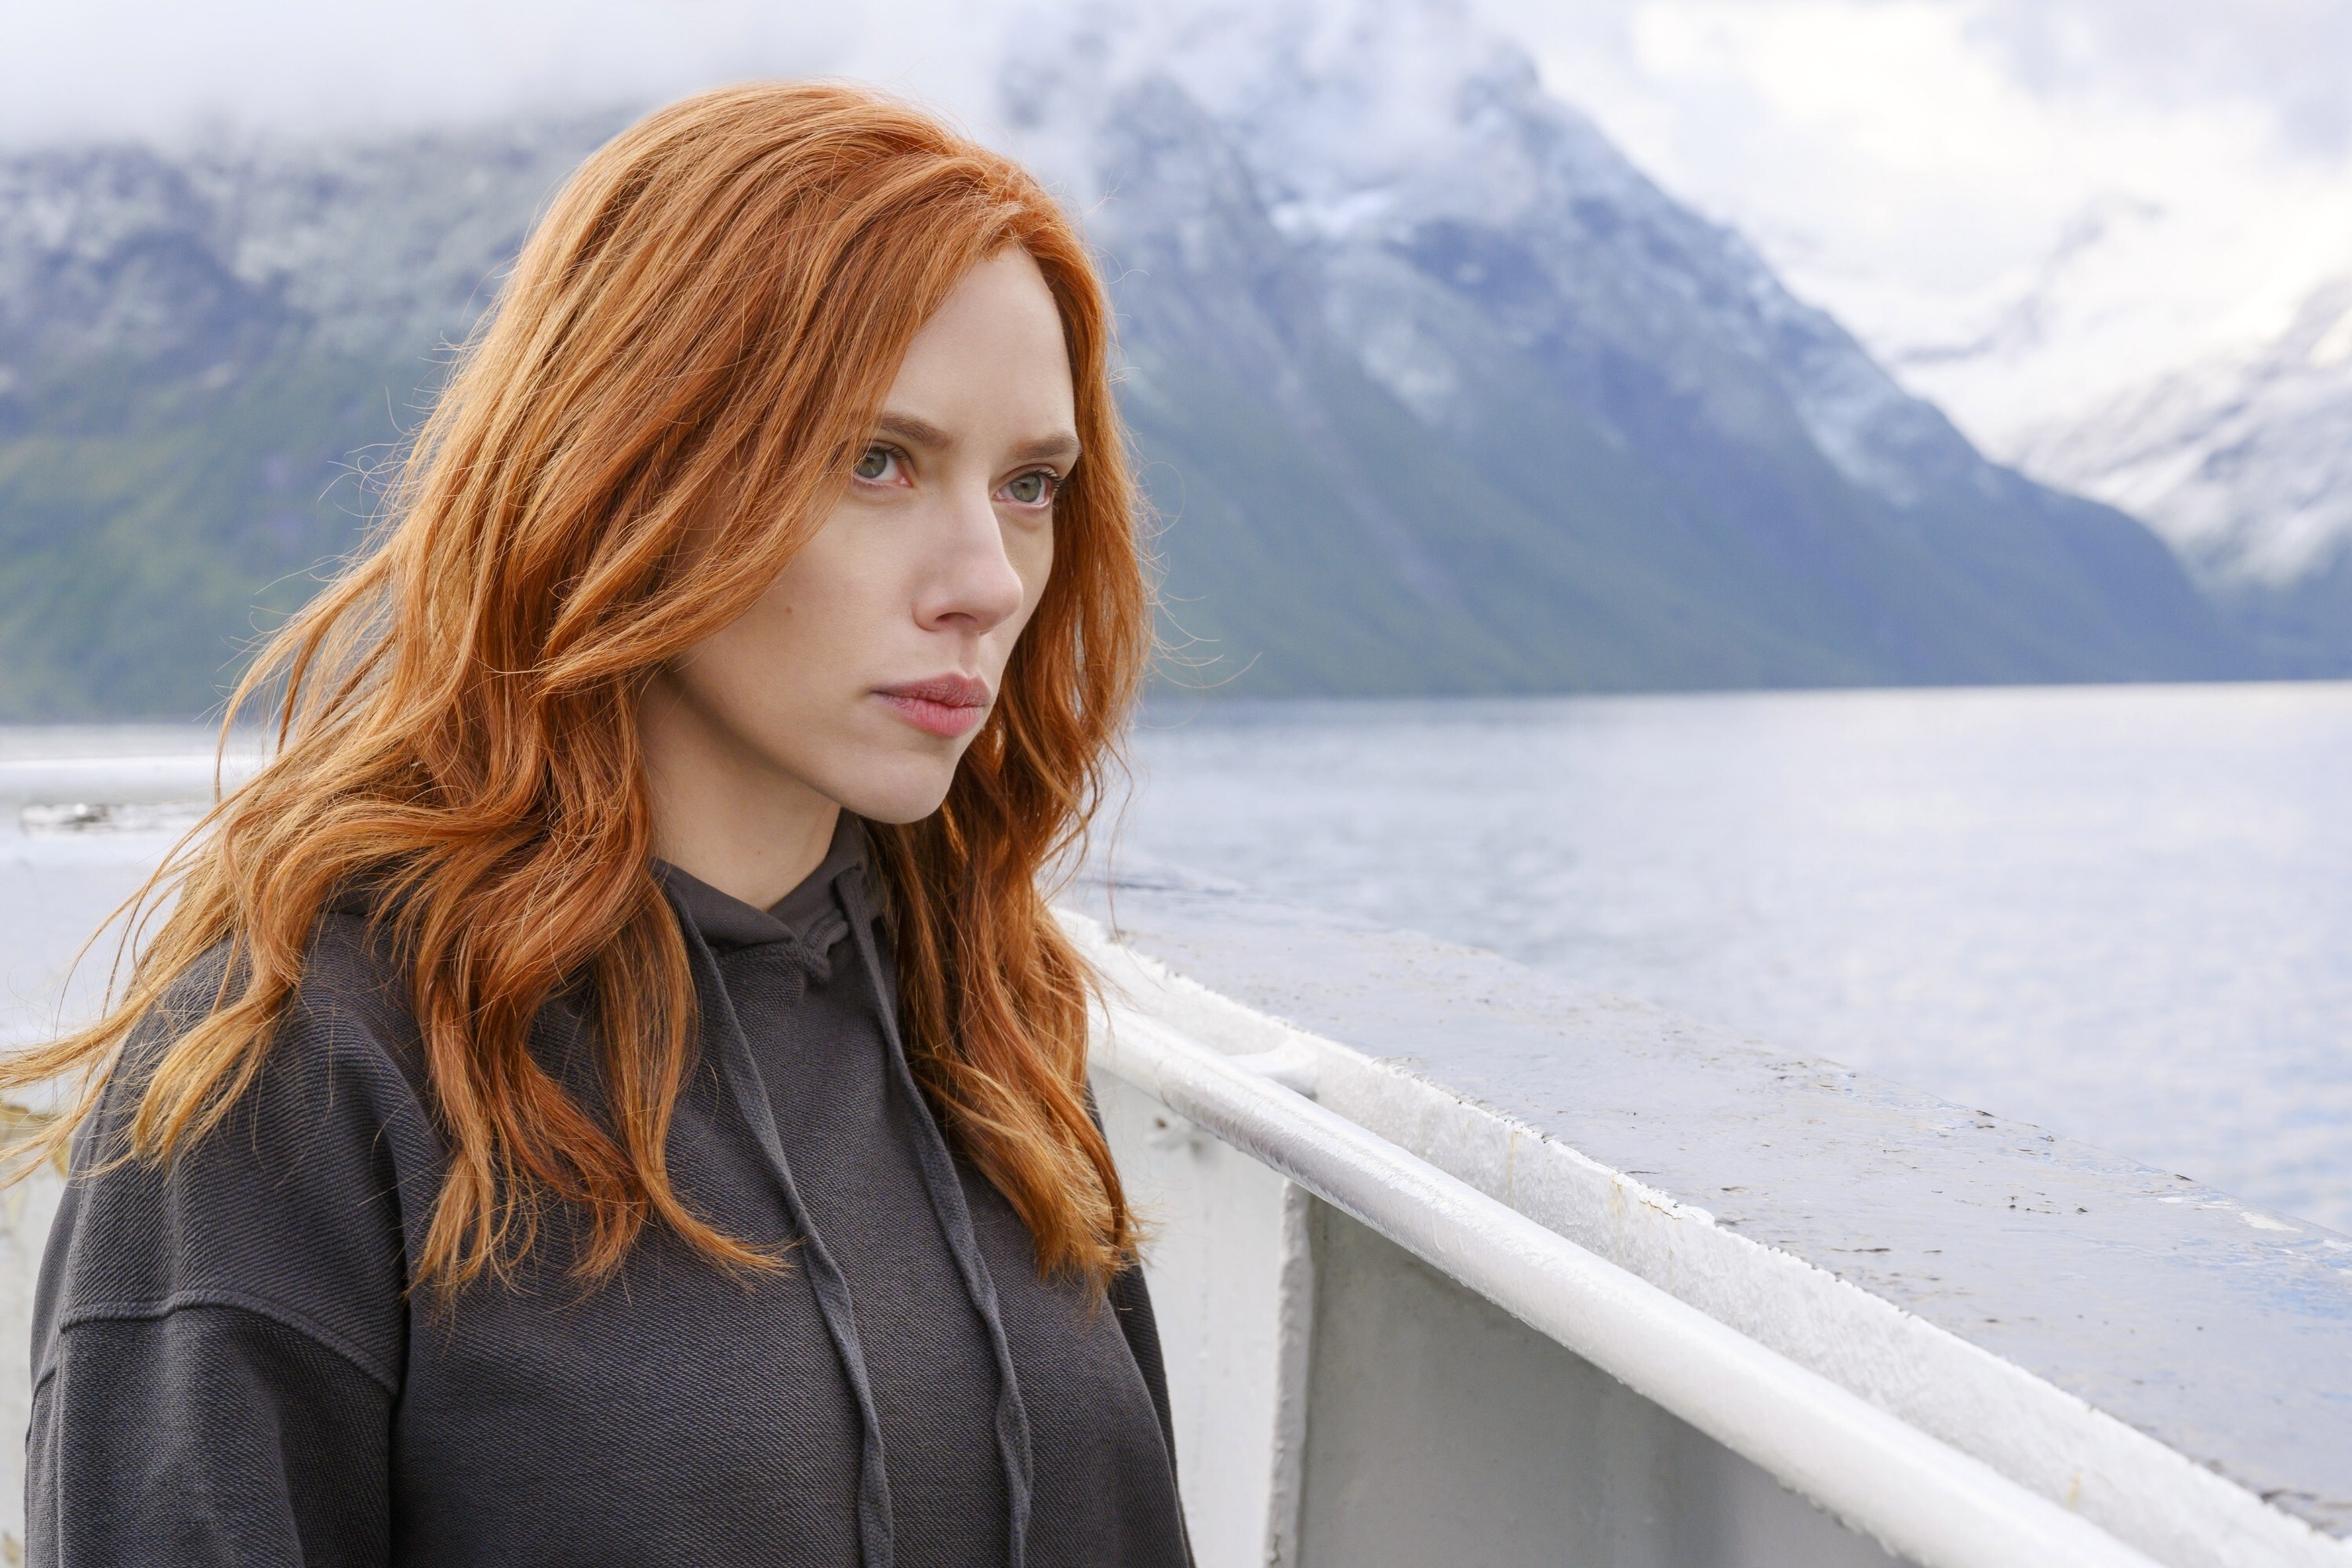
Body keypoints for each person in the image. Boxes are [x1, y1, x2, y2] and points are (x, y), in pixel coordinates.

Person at [4, 81, 1189, 1567]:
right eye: (876, 461)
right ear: (639, 464)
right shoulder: (306, 1076)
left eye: (1030, 486)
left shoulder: (984, 1014)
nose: (990, 578)